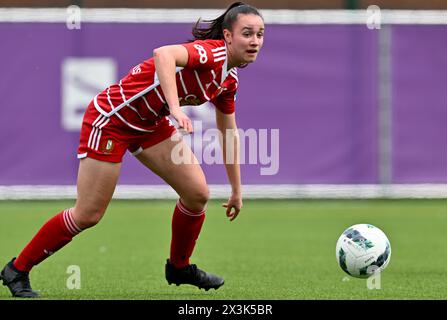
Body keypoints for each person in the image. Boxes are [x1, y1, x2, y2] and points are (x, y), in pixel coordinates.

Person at [0, 2, 265, 298]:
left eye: (260, 34)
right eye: (247, 33)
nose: (255, 41)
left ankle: (179, 267)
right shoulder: (211, 52)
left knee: (197, 194)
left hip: (149, 123)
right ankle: (17, 269)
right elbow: (163, 54)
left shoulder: (228, 80)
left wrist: (236, 190)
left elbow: (229, 133)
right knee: (88, 214)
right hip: (111, 119)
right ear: (228, 36)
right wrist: (176, 110)